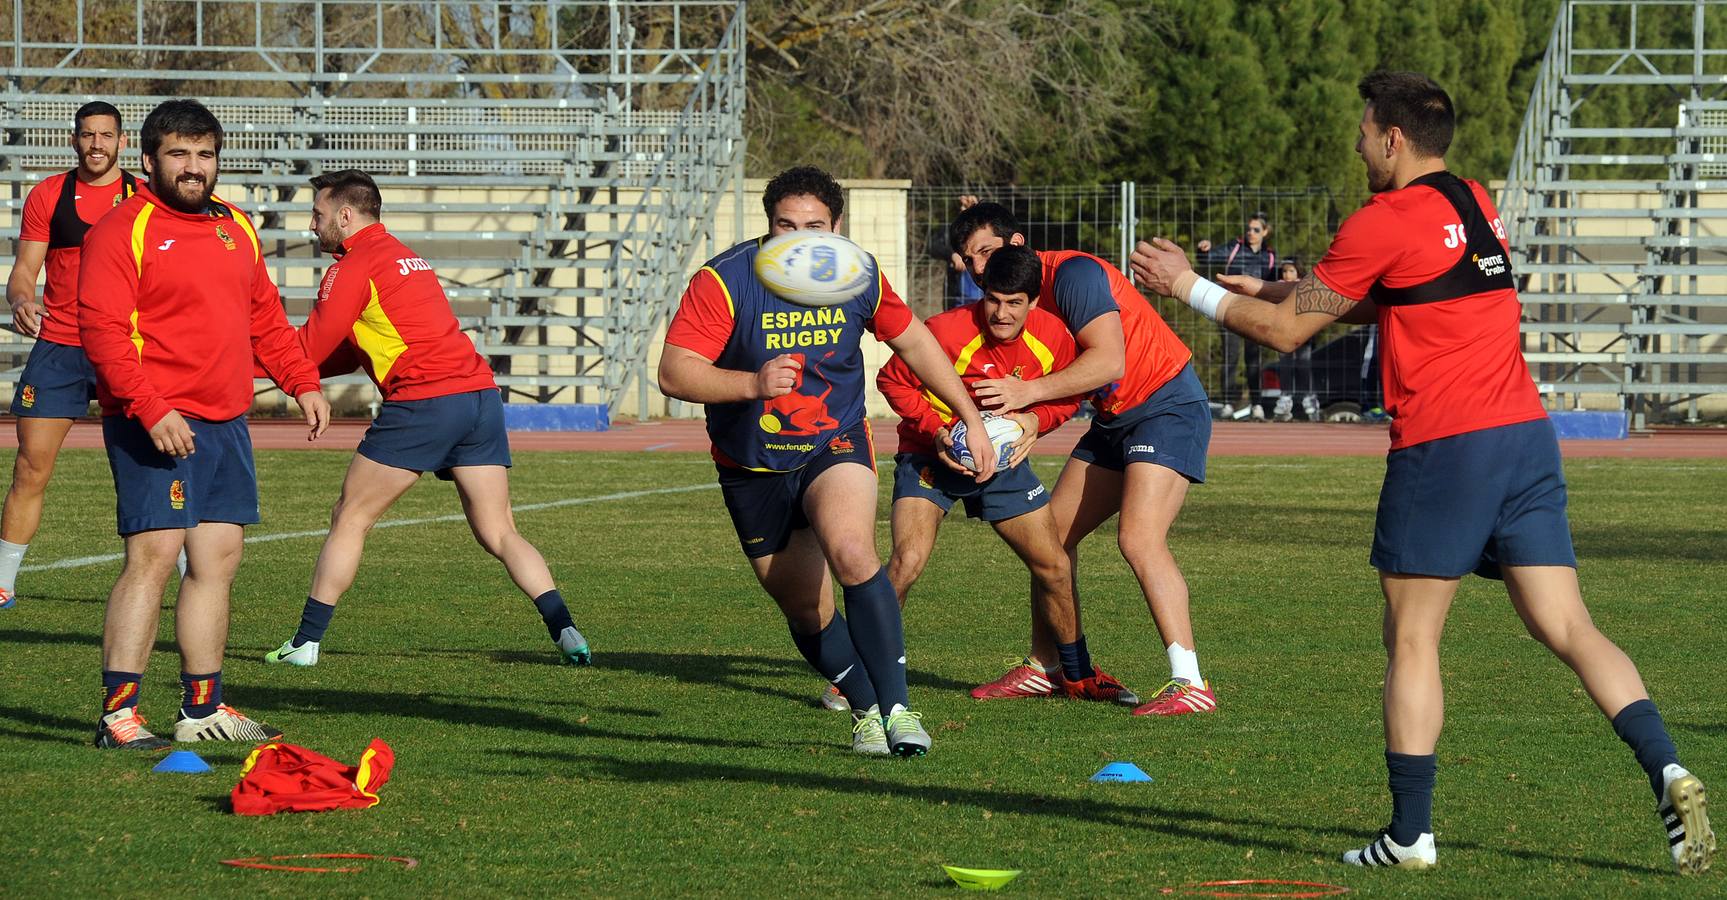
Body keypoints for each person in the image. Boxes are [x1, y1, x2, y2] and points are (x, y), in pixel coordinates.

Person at [1130, 71, 1713, 874]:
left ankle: (1409, 836)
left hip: (1446, 446)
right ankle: (1668, 768)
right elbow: (1403, 292)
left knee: (1409, 634)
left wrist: (1186, 287)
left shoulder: (1383, 217)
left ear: (1392, 139)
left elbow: (1283, 335)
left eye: (1364, 133)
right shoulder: (1472, 200)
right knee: (1569, 626)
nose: (1359, 145)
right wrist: (1271, 283)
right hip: (1523, 439)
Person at [658, 166, 997, 757]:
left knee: (852, 550)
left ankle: (899, 711)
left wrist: (968, 416)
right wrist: (751, 383)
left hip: (832, 440)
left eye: (814, 225)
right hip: (751, 463)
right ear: (767, 227)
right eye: (785, 226)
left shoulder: (855, 273)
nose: (799, 237)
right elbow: (674, 370)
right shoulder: (725, 280)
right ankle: (864, 707)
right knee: (804, 608)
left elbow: (914, 341)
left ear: (836, 226)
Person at [78, 99, 331, 750]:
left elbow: (264, 320)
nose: (194, 168)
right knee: (153, 558)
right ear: (148, 160)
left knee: (217, 560)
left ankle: (201, 709)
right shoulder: (121, 230)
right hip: (153, 418)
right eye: (180, 155)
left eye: (206, 155)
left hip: (225, 422)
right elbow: (102, 332)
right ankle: (119, 716)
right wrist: (150, 406)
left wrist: (302, 380)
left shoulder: (235, 227)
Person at [261, 169, 589, 669]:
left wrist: (246, 351)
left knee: (350, 516)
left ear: (345, 216)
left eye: (319, 215)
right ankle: (566, 630)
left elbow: (310, 347)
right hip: (478, 396)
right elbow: (350, 353)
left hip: (425, 400)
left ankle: (305, 643)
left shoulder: (353, 265)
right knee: (500, 531)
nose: (312, 225)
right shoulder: (402, 256)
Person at [949, 202, 1218, 717]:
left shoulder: (1071, 275)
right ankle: (1044, 667)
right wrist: (1028, 417)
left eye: (987, 251)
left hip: (1166, 406)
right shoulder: (1018, 300)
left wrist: (1025, 396)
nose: (980, 269)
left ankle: (1190, 684)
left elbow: (1107, 360)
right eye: (970, 259)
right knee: (1049, 540)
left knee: (1138, 538)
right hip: (1114, 419)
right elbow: (1064, 384)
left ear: (1019, 243)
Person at [877, 245, 1135, 705]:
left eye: (1015, 302)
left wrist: (1037, 420)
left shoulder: (1053, 336)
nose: (1001, 312)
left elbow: (1072, 394)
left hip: (1003, 465)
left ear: (1034, 302)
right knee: (907, 562)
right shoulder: (946, 330)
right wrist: (937, 432)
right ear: (982, 292)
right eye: (994, 299)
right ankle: (857, 672)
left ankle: (1076, 677)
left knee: (1054, 565)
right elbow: (892, 379)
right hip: (930, 458)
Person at [0, 101, 138, 609]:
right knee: (30, 468)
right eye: (87, 135)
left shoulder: (142, 197)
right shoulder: (49, 194)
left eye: (106, 135)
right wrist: (21, 299)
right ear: (74, 140)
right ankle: (2, 582)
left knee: (151, 468)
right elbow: (23, 270)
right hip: (59, 345)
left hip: (125, 347)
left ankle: (188, 573)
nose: (96, 144)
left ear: (122, 142)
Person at [1196, 215, 1278, 418]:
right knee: (1230, 357)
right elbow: (1207, 258)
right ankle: (1227, 402)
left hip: (1256, 312)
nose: (1251, 232)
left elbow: (1274, 283)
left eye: (1256, 230)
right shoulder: (1235, 247)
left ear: (1265, 232)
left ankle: (1256, 404)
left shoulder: (1270, 256)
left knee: (1253, 359)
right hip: (1231, 308)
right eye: (1249, 228)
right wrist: (1203, 250)